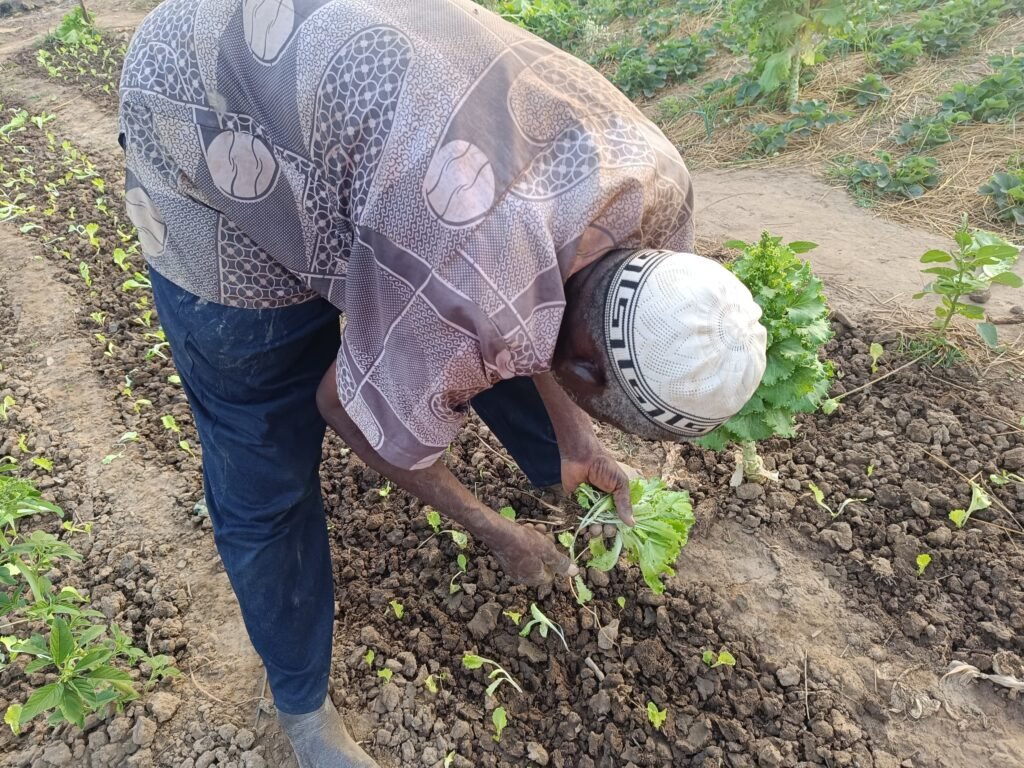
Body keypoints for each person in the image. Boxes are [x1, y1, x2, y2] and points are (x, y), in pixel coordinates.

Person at [118, 1, 768, 765]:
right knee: (262, 443)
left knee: (470, 315)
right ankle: (301, 710)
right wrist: (495, 532)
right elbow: (347, 408)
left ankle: (546, 455)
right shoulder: (466, 275)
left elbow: (556, 296)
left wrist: (578, 432)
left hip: (362, 95)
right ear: (592, 367)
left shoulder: (657, 190)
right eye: (602, 404)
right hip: (206, 96)